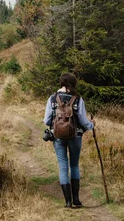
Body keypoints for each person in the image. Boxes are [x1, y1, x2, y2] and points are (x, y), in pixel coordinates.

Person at [43, 73, 95, 208]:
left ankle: (67, 201)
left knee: (63, 167)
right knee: (74, 166)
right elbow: (83, 121)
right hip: (75, 136)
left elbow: (46, 120)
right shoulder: (78, 99)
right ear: (73, 83)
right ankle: (76, 199)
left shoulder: (53, 98)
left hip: (58, 136)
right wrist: (91, 125)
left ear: (61, 83)